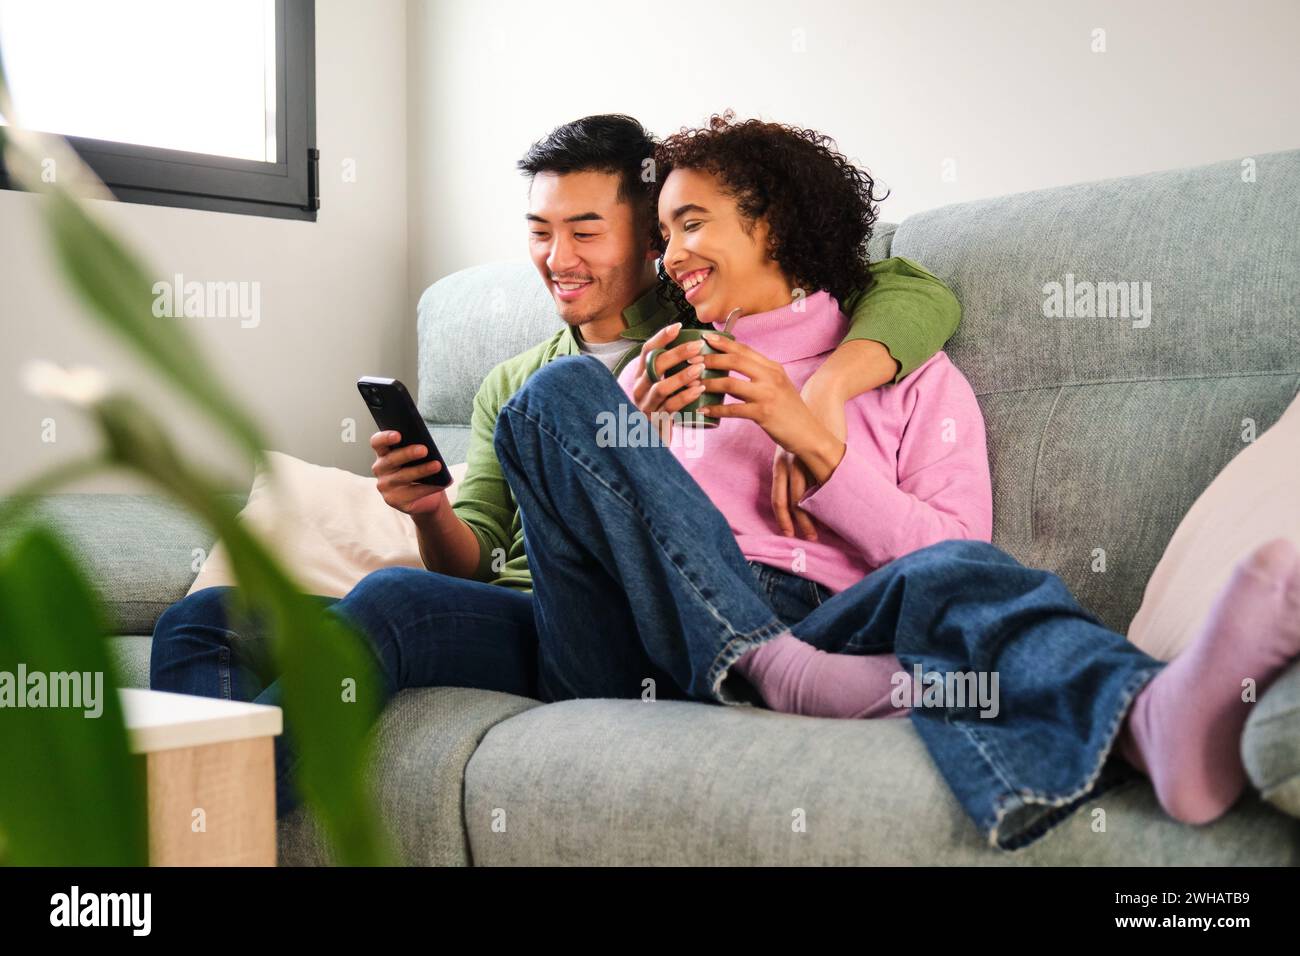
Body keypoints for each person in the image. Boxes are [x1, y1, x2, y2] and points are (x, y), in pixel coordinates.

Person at [490, 111, 1300, 851]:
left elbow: (952, 552)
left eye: (692, 224)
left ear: (771, 225)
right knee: (557, 398)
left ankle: (1155, 719)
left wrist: (810, 435)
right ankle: (776, 671)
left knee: (964, 575)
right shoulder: (663, 375)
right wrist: (637, 441)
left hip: (839, 621)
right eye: (663, 234)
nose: (670, 258)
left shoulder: (909, 375)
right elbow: (605, 551)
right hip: (650, 640)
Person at [149, 114, 964, 818]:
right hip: (575, 616)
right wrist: (433, 509)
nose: (559, 256)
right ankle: (200, 833)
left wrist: (822, 400)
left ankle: (766, 661)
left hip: (719, 616)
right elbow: (497, 544)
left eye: (587, 230)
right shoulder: (606, 367)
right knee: (218, 617)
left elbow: (901, 286)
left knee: (547, 410)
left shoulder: (728, 334)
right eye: (541, 232)